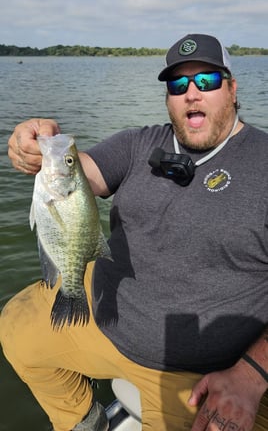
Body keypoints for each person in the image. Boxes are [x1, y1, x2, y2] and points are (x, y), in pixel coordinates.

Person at [1, 32, 268, 431]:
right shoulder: (137, 144)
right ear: (168, 97)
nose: (191, 94)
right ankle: (84, 420)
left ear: (232, 88)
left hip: (199, 373)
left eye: (207, 81)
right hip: (101, 313)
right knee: (16, 328)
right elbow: (77, 175)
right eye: (178, 84)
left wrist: (251, 375)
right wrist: (40, 147)